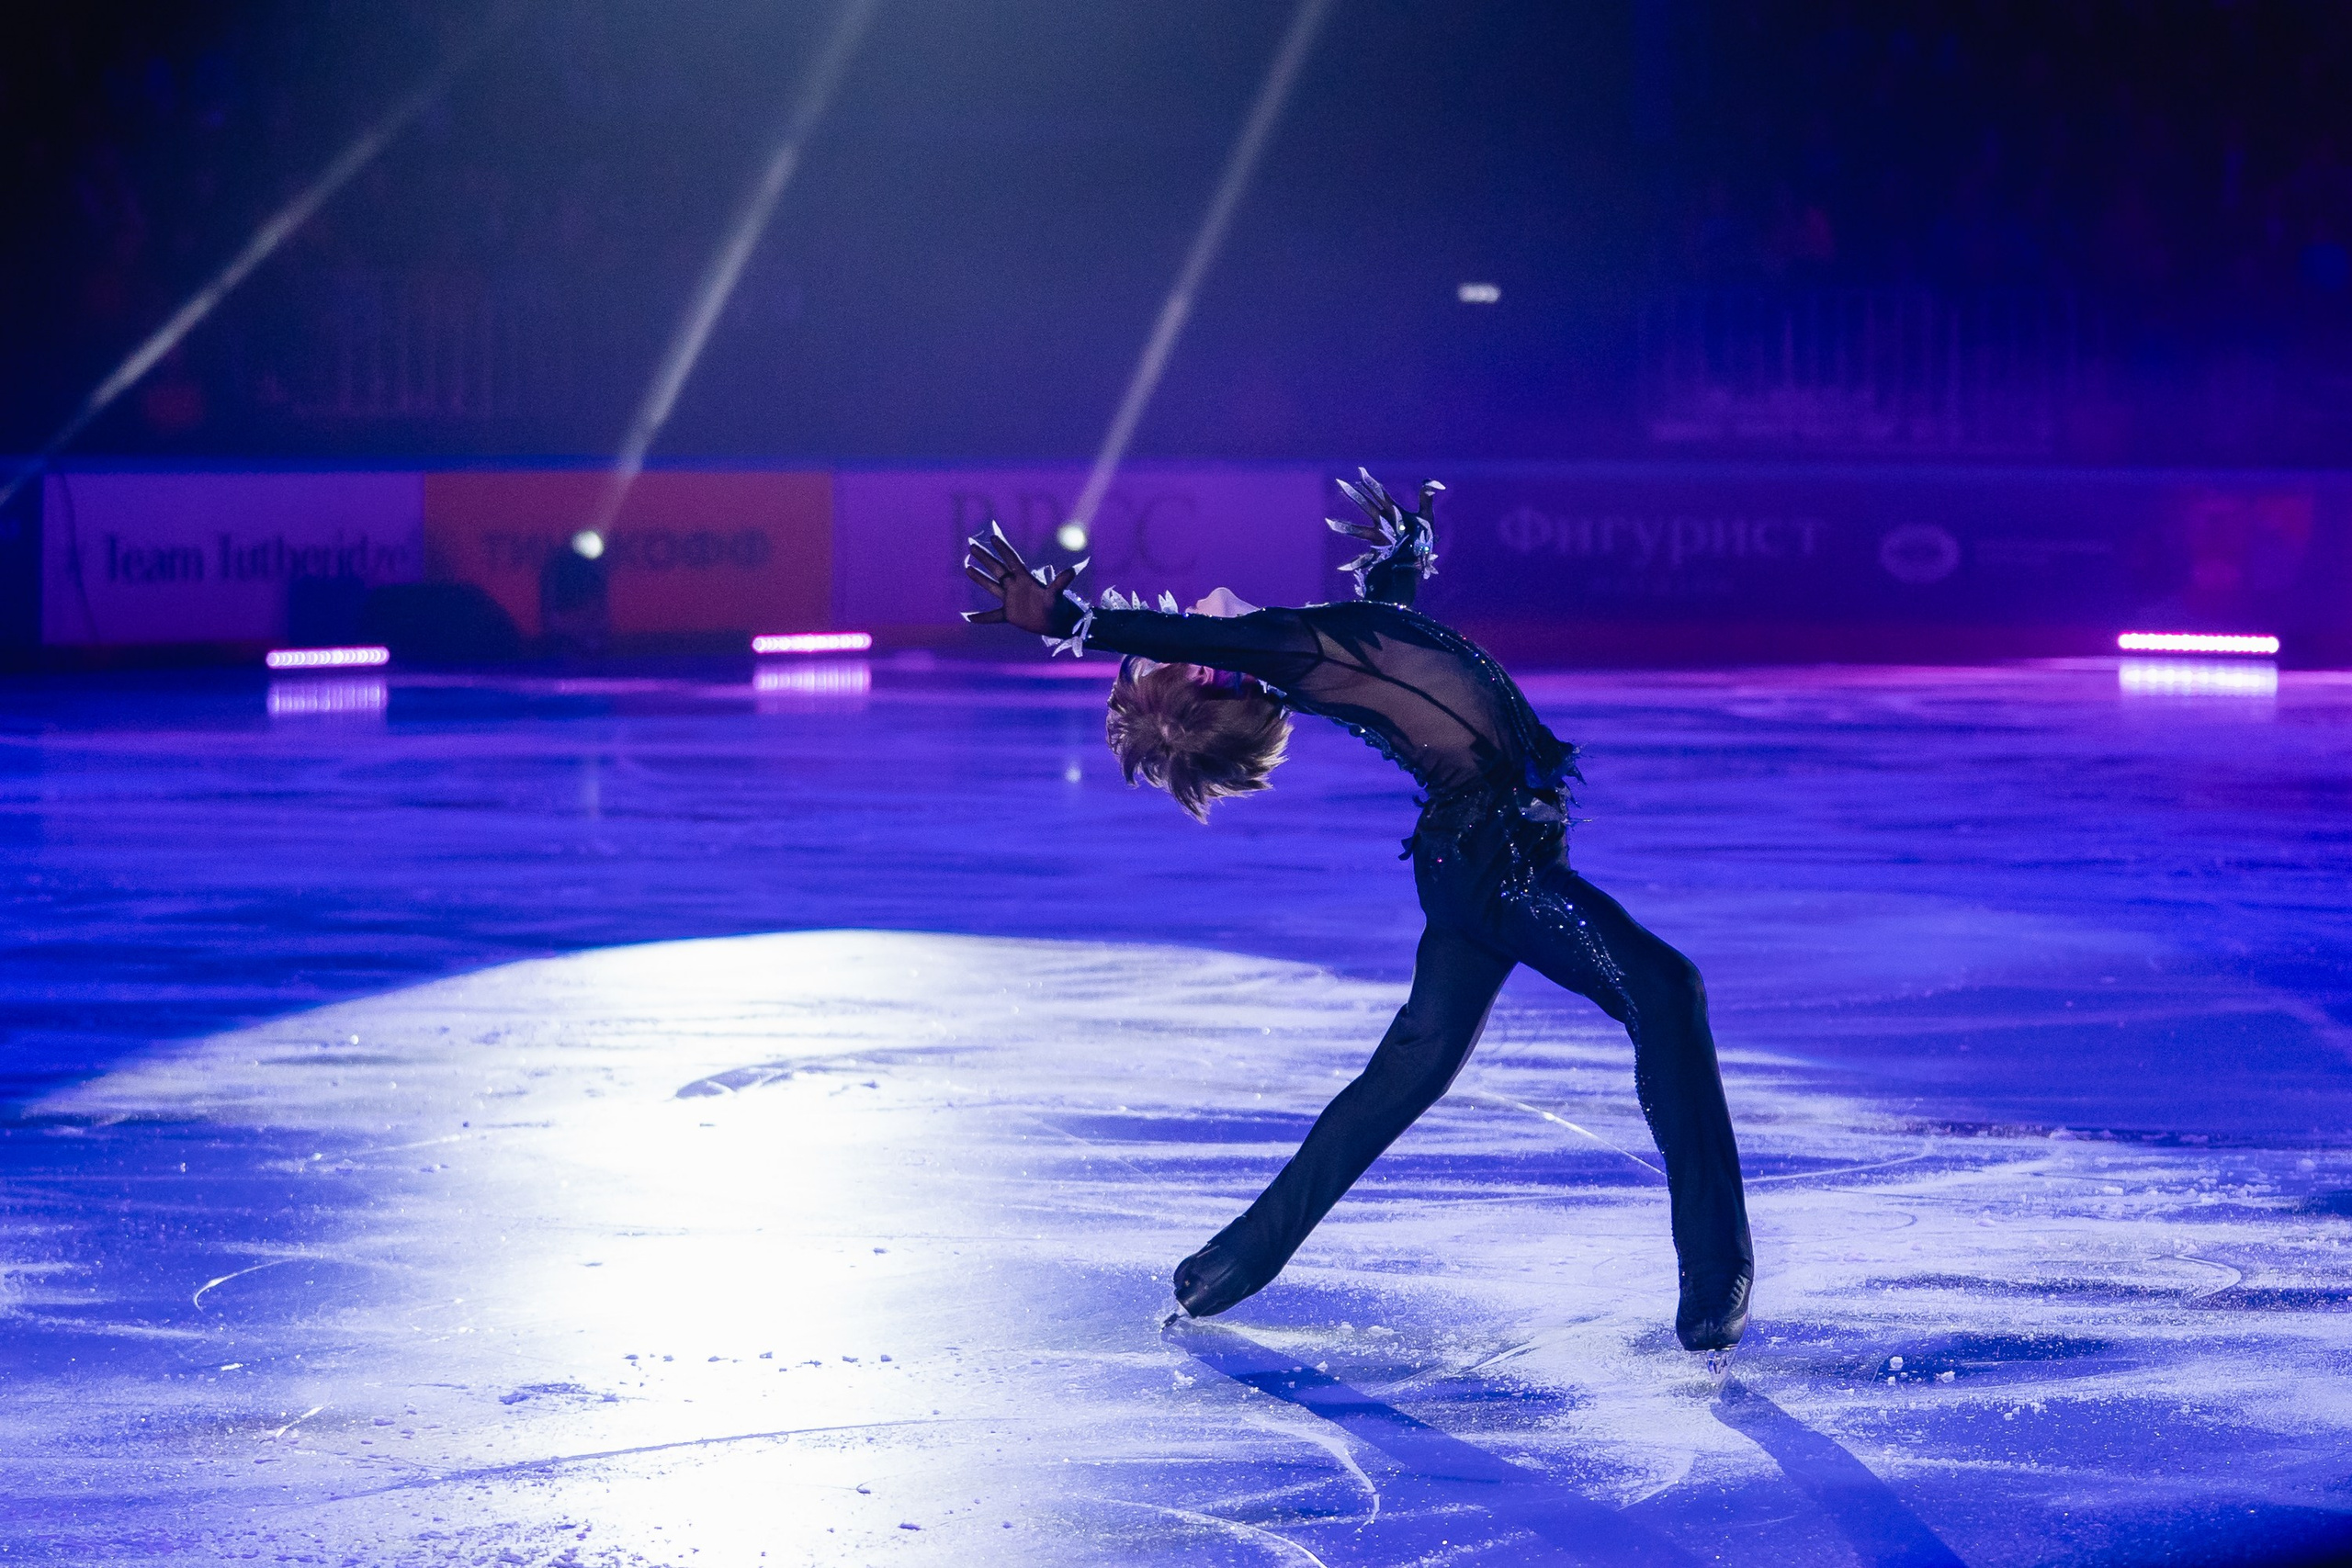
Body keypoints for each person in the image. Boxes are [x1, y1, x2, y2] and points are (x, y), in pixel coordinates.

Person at [961, 472, 1752, 1356]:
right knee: (1667, 990)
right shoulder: (1286, 647)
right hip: (1498, 866)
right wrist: (1073, 622)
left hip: (1470, 860)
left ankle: (1231, 1262)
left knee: (1406, 1075)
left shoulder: (1320, 651)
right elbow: (1200, 632)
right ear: (1211, 662)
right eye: (1183, 643)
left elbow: (1393, 643)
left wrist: (1403, 562)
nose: (1190, 610)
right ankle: (1716, 1277)